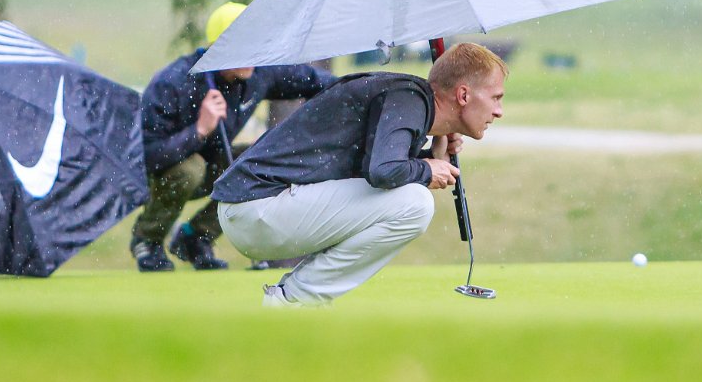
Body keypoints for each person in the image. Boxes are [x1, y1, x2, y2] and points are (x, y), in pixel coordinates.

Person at [214, 42, 507, 307]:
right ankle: (294, 300)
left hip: (252, 211)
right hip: (258, 207)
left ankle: (294, 299)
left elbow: (371, 165)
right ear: (463, 94)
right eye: (496, 98)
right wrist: (426, 168)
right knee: (415, 203)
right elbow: (382, 171)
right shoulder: (409, 98)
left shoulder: (407, 99)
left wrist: (432, 155)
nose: (499, 111)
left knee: (410, 195)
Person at [130, 3, 336, 272]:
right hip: (164, 175)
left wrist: (359, 86)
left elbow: (312, 81)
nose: (252, 54)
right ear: (217, 49)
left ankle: (195, 238)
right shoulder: (175, 82)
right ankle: (148, 239)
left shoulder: (258, 73)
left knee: (264, 164)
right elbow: (148, 156)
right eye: (243, 46)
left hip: (212, 171)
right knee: (192, 169)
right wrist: (199, 130)